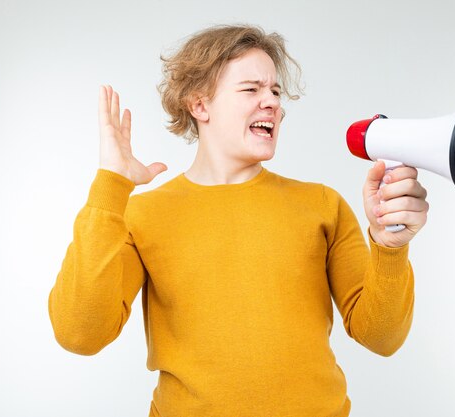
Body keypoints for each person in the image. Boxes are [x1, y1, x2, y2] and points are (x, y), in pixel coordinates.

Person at [48, 24, 429, 417]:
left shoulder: (322, 204)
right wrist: (111, 185)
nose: (273, 103)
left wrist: (389, 245)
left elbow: (382, 338)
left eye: (276, 91)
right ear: (199, 104)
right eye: (251, 89)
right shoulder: (142, 214)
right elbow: (80, 333)